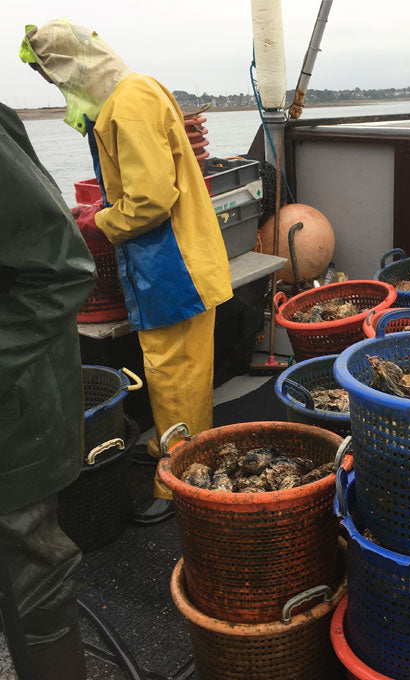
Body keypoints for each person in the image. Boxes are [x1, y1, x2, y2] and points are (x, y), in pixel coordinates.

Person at [21, 19, 234, 524]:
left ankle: (180, 476)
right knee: (179, 368)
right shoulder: (137, 90)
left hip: (171, 264)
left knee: (173, 371)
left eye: (55, 75)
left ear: (72, 67)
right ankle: (173, 444)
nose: (58, 87)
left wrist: (98, 219)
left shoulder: (128, 104)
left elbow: (151, 201)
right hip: (170, 259)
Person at [0, 101, 96, 679]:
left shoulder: (130, 106)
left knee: (33, 581)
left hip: (12, 420)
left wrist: (104, 222)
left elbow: (61, 268)